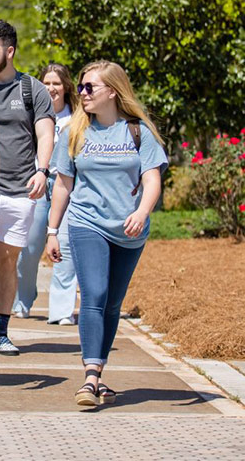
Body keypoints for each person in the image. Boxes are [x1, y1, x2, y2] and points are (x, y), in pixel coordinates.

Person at [44, 60, 167, 407]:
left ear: (112, 91)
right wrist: (53, 231)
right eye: (80, 87)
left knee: (112, 304)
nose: (81, 93)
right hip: (87, 223)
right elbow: (64, 185)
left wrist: (142, 212)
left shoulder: (137, 131)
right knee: (93, 295)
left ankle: (100, 372)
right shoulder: (75, 132)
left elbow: (152, 179)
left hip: (129, 230)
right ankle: (90, 376)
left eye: (89, 87)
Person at [0, 20, 55, 357]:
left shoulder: (32, 90)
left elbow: (45, 134)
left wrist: (42, 170)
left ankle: (1, 331)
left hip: (21, 189)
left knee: (7, 260)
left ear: (10, 50)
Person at [13, 63, 80, 324]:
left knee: (64, 246)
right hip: (37, 185)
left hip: (66, 185)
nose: (51, 88)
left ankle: (62, 311)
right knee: (29, 247)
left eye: (56, 83)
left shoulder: (78, 117)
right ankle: (23, 300)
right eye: (46, 83)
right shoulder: (31, 114)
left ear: (65, 87)